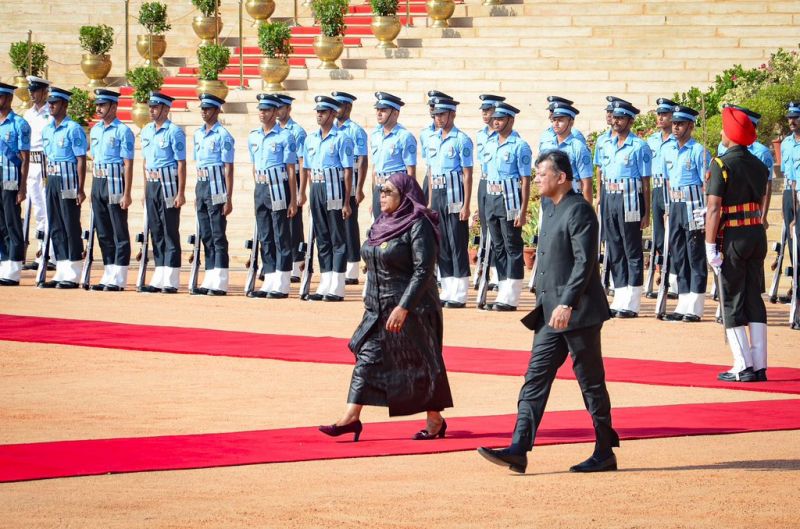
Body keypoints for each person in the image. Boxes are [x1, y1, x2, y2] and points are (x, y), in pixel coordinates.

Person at [478, 149, 618, 474]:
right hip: (548, 311)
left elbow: (585, 262)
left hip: (578, 312)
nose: (537, 179)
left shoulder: (580, 211)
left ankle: (604, 450)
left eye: (543, 174)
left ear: (561, 178)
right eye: (537, 174)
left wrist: (567, 302)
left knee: (590, 383)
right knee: (534, 379)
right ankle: (518, 448)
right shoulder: (546, 206)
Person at [319, 172, 453, 441]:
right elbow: (373, 262)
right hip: (378, 308)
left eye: (388, 191)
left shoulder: (418, 224)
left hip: (413, 309)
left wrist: (404, 307)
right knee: (367, 356)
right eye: (380, 191)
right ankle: (351, 417)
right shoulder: (382, 223)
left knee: (422, 364)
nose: (382, 196)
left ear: (404, 195)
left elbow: (423, 270)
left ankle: (435, 419)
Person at [705, 105, 769, 382]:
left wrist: (709, 245)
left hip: (733, 238)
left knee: (732, 297)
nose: (721, 132)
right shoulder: (759, 164)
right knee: (754, 297)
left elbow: (714, 208)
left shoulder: (721, 164)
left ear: (729, 135)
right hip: (756, 234)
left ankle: (742, 364)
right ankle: (759, 364)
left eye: (723, 129)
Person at [596, 100, 652, 317]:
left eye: (621, 118)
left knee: (632, 248)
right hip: (610, 196)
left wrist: (646, 211)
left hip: (630, 197)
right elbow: (601, 170)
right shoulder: (605, 143)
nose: (616, 121)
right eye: (614, 117)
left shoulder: (639, 146)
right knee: (614, 247)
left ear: (630, 120)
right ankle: (619, 294)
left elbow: (646, 182)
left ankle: (633, 299)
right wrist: (600, 196)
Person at [300, 95, 354, 301]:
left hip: (334, 188)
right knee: (322, 237)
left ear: (332, 114)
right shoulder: (311, 139)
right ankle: (325, 282)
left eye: (323, 112)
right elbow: (306, 168)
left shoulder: (342, 138)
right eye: (317, 112)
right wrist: (306, 193)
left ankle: (337, 286)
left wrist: (347, 201)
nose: (319, 115)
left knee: (337, 237)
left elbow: (348, 171)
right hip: (317, 188)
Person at [660, 105, 711, 322]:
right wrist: (666, 209)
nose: (676, 127)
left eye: (680, 124)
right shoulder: (667, 149)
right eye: (674, 124)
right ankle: (683, 302)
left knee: (695, 254)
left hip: (693, 206)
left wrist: (706, 212)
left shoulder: (698, 150)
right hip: (676, 205)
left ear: (691, 126)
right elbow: (666, 181)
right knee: (679, 255)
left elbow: (706, 185)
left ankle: (696, 305)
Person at [246, 93, 297, 298]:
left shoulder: (285, 136)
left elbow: (292, 170)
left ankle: (282, 282)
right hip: (261, 186)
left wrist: (293, 199)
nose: (262, 113)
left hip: (278, 186)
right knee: (265, 235)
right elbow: (253, 164)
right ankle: (269, 279)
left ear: (275, 112)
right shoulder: (254, 136)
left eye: (266, 110)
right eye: (260, 109)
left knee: (280, 234)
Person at [483, 101, 532, 311]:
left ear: (511, 120)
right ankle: (503, 289)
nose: (496, 122)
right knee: (498, 246)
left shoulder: (519, 145)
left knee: (512, 246)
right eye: (495, 118)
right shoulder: (489, 142)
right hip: (491, 198)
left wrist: (522, 210)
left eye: (501, 119)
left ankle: (511, 295)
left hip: (509, 199)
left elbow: (526, 180)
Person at [426, 97, 474, 308]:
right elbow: (429, 171)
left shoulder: (461, 140)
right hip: (436, 194)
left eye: (443, 115)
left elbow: (467, 174)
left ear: (452, 115)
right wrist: (428, 202)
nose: (439, 119)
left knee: (457, 242)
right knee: (441, 243)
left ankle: (460, 291)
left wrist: (466, 204)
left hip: (454, 195)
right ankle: (447, 288)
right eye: (436, 115)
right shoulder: (432, 139)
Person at [138, 92, 187, 294]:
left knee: (169, 230)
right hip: (151, 183)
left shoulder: (174, 132)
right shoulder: (147, 131)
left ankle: (171, 277)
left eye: (156, 107)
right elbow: (144, 162)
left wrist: (180, 192)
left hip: (168, 182)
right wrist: (144, 190)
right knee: (155, 230)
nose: (152, 110)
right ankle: (159, 273)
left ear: (166, 110)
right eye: (150, 107)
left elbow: (181, 163)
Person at [87, 89, 135, 291]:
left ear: (114, 107)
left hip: (115, 181)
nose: (99, 108)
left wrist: (127, 193)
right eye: (98, 105)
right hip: (98, 181)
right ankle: (108, 271)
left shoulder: (123, 131)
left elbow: (128, 163)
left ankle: (120, 275)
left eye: (103, 105)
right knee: (103, 231)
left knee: (118, 230)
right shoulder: (96, 130)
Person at [39, 86, 87, 288]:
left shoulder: (73, 128)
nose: (50, 106)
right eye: (49, 103)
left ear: (64, 105)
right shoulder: (47, 129)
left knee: (70, 224)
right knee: (55, 225)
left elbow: (80, 159)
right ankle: (61, 270)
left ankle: (73, 272)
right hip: (52, 179)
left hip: (68, 180)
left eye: (55, 103)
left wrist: (81, 187)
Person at [191, 93, 235, 296]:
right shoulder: (198, 135)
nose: (204, 112)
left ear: (217, 111)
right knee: (206, 235)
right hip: (202, 185)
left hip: (217, 187)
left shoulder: (223, 136)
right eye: (202, 108)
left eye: (208, 109)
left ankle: (220, 280)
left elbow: (228, 168)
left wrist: (228, 197)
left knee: (218, 234)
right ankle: (209, 277)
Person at [332, 91, 368, 285]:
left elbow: (362, 160)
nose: (336, 109)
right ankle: (339, 264)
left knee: (349, 224)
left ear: (348, 107)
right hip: (333, 180)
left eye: (340, 105)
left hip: (351, 179)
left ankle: (352, 267)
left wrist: (360, 187)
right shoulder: (332, 128)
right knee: (336, 225)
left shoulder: (355, 131)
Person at [645, 98, 677, 298]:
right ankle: (661, 278)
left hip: (673, 191)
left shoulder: (677, 141)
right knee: (658, 237)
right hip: (656, 188)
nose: (660, 118)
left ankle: (674, 281)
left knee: (673, 237)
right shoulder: (652, 141)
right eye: (659, 114)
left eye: (664, 114)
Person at [0, 82, 31, 285]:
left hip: (12, 178)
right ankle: (3, 261)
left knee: (12, 223)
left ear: (9, 98)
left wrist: (22, 187)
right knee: (1, 224)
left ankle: (14, 266)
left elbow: (24, 157)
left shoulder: (18, 123)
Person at [22, 75, 53, 271]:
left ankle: (51, 253)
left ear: (44, 92)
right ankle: (41, 250)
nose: (32, 94)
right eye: (30, 91)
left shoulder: (50, 114)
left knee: (48, 210)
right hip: (31, 164)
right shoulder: (28, 114)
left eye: (35, 91)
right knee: (37, 211)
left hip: (45, 164)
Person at [369, 92, 417, 221]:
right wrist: (373, 197)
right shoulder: (375, 135)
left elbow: (411, 171)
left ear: (395, 113)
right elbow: (374, 169)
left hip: (395, 190)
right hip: (379, 189)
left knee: (395, 231)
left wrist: (410, 198)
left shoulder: (404, 136)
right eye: (377, 110)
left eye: (383, 110)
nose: (379, 113)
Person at [275, 94, 307, 282]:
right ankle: (279, 262)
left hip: (293, 175)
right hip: (277, 178)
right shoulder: (275, 130)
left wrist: (301, 191)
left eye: (282, 108)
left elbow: (302, 163)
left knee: (294, 224)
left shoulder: (297, 132)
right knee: (278, 222)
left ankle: (297, 263)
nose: (279, 111)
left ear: (288, 109)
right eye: (276, 108)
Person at [537, 99, 593, 202]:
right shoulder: (547, 144)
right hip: (548, 198)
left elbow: (586, 182)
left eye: (560, 120)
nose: (556, 124)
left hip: (571, 197)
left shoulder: (578, 147)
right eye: (554, 120)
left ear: (571, 122)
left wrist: (587, 211)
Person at [476, 94, 505, 288]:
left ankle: (497, 273)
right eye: (484, 111)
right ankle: (484, 270)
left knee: (498, 232)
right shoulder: (480, 134)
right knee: (486, 229)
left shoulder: (507, 136)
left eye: (489, 111)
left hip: (501, 186)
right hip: (484, 182)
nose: (485, 114)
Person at [777, 101, 799, 304]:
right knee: (792, 243)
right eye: (790, 117)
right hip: (788, 193)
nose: (791, 121)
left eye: (795, 117)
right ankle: (795, 285)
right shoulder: (785, 143)